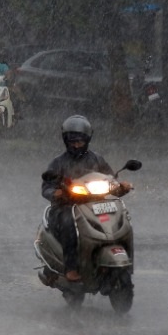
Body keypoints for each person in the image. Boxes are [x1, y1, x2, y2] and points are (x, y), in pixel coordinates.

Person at [40, 114, 132, 281]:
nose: (76, 145)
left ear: (87, 140)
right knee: (69, 222)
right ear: (66, 141)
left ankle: (123, 255)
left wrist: (121, 187)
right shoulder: (58, 162)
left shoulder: (97, 159)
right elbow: (46, 187)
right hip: (66, 206)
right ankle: (71, 267)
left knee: (122, 215)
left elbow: (111, 179)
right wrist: (56, 193)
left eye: (80, 141)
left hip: (95, 203)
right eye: (73, 141)